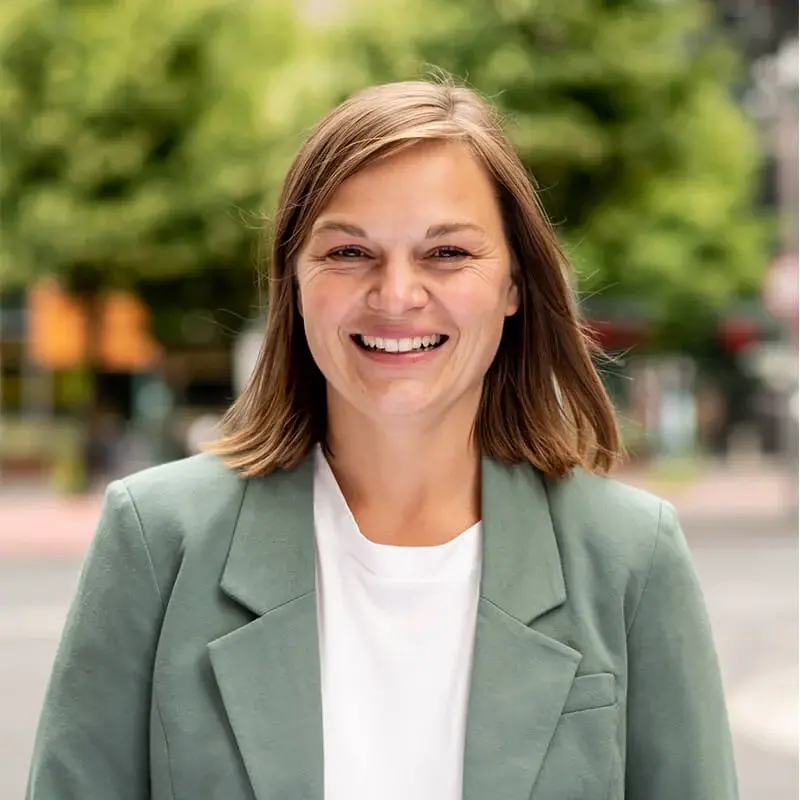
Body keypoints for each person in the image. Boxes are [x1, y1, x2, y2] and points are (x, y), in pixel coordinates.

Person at [27, 77, 738, 800]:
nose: (396, 295)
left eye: (448, 253)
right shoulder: (158, 540)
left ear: (516, 285)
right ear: (294, 282)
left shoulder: (629, 555)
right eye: (348, 253)